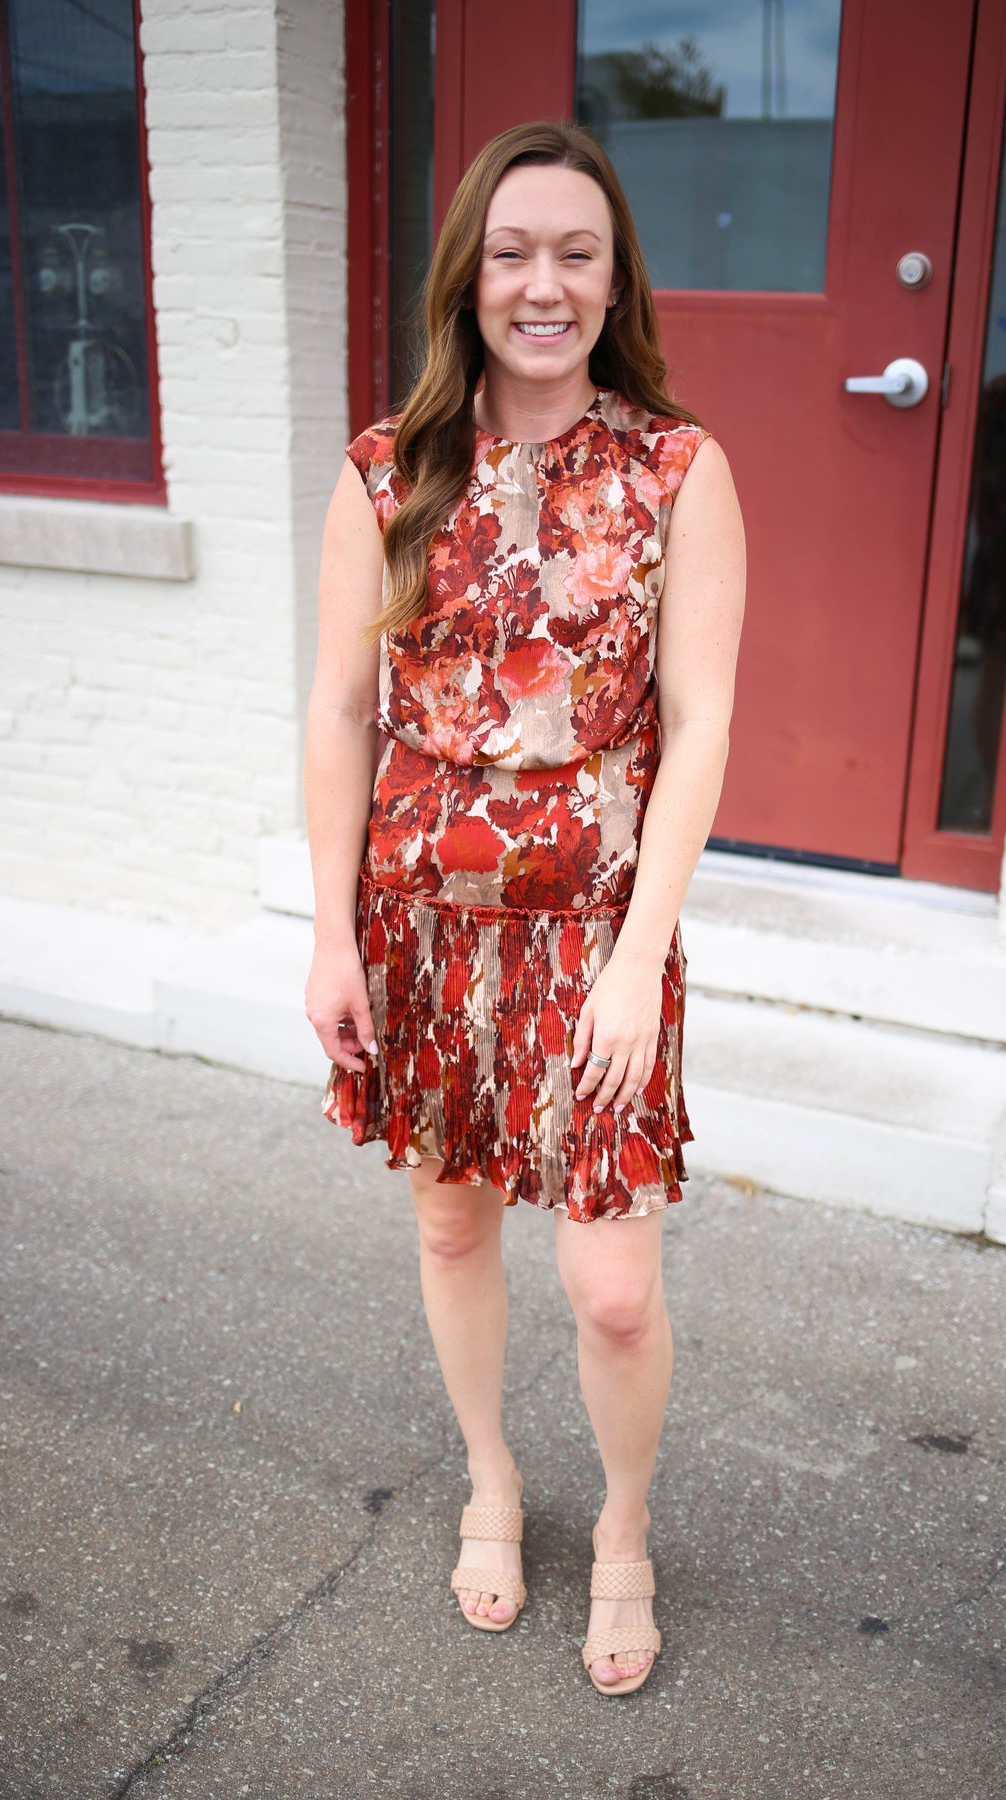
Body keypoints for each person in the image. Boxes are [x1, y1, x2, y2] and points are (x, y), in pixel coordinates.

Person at [303, 119, 745, 1696]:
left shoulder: (677, 469)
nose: (541, 284)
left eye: (575, 252)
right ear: (467, 276)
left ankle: (623, 1526)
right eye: (511, 252)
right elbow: (340, 711)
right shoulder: (385, 466)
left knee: (614, 1288)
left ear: (614, 276)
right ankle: (493, 1475)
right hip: (420, 921)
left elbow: (696, 724)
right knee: (447, 1215)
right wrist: (331, 930)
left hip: (595, 934)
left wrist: (640, 962)